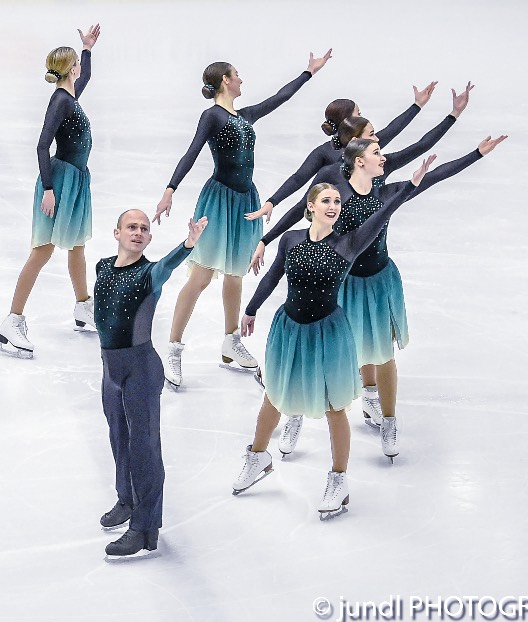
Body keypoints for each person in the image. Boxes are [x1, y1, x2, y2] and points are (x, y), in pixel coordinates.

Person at [275, 133, 505, 460]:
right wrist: (268, 241)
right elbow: (303, 221)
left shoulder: (386, 193)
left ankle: (388, 419)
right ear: (359, 162)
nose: (384, 157)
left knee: (382, 353)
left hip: (378, 284)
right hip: (340, 286)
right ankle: (295, 412)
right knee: (320, 352)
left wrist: (476, 153)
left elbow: (435, 177)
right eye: (377, 152)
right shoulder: (335, 198)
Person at [232, 159, 432, 520]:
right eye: (326, 201)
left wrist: (411, 186)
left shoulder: (349, 244)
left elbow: (383, 213)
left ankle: (339, 481)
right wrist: (251, 309)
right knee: (274, 395)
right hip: (289, 328)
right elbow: (273, 275)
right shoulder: (291, 239)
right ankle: (258, 456)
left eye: (337, 202)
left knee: (334, 407)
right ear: (310, 207)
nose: (333, 206)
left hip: (329, 331)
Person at [153, 51, 333, 388]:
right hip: (218, 201)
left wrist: (308, 72)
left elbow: (280, 97)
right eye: (236, 74)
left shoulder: (246, 115)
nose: (241, 79)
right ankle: (174, 348)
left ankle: (230, 341)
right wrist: (170, 189)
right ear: (225, 80)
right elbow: (192, 151)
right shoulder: (212, 116)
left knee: (235, 274)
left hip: (246, 200)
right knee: (202, 276)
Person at [94, 210, 207, 558]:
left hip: (140, 369)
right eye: (132, 227)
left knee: (144, 448)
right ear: (117, 233)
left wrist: (188, 244)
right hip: (110, 369)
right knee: (119, 439)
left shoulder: (149, 274)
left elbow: (167, 267)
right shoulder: (102, 267)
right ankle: (126, 500)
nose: (138, 232)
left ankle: (144, 528)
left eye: (144, 228)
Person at [0, 25, 101, 359]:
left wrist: (87, 49)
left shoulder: (69, 95)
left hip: (75, 180)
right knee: (42, 251)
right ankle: (12, 320)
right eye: (78, 63)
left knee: (77, 246)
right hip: (60, 181)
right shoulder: (60, 101)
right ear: (70, 69)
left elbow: (86, 77)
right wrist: (50, 189)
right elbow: (42, 145)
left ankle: (83, 305)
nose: (81, 69)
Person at [242, 83, 437, 224]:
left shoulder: (367, 145)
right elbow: (298, 182)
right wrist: (272, 202)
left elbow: (395, 129)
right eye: (358, 114)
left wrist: (417, 106)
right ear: (348, 122)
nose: (362, 117)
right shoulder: (326, 153)